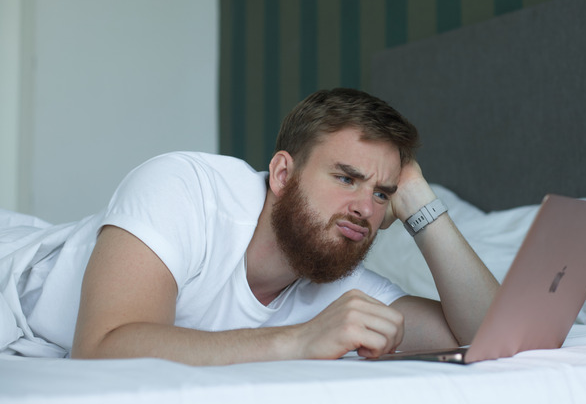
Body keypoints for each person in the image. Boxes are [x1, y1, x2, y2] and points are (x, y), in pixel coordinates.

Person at [0, 88, 499, 365]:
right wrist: (298, 341)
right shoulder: (186, 189)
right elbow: (103, 348)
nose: (364, 208)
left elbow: (489, 335)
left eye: (381, 194)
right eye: (346, 178)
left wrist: (418, 202)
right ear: (282, 174)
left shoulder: (334, 272)